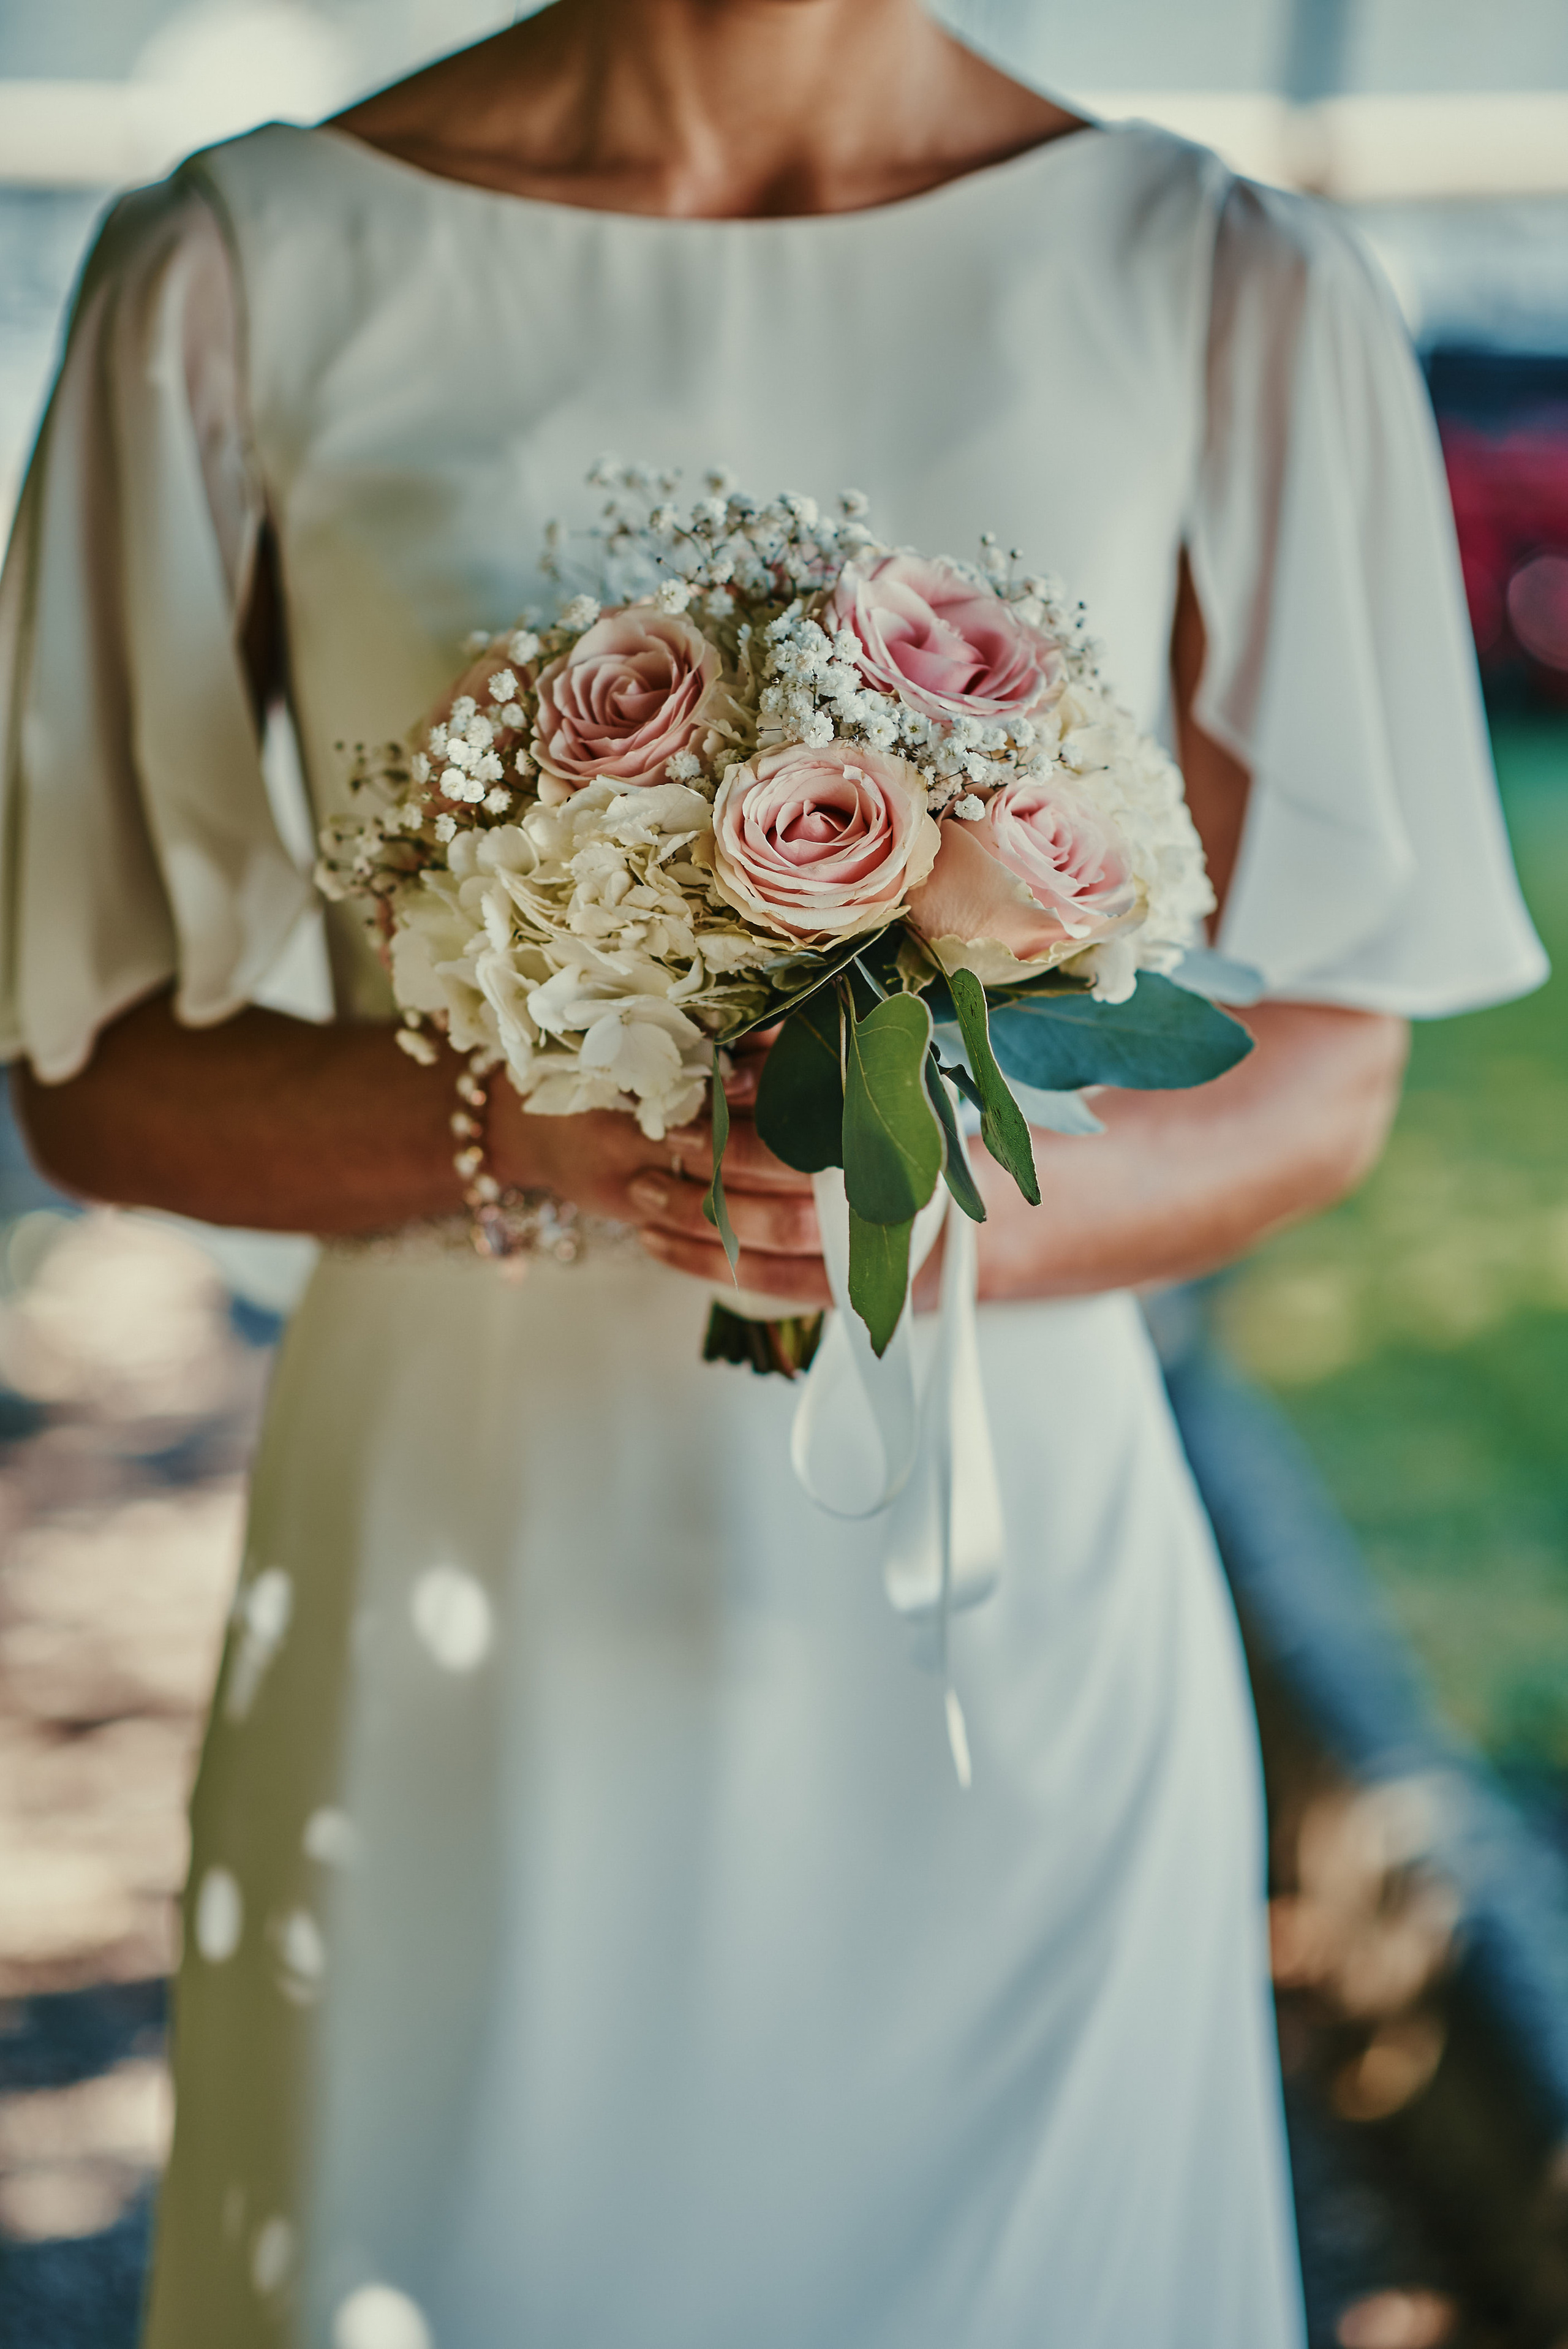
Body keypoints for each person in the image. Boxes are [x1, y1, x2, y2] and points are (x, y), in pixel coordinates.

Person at [0, 3, 1545, 2342]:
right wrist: (523, 1121)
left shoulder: (1218, 276)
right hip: (469, 1582)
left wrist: (946, 1207)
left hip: (1003, 1623)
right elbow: (88, 1073)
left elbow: (1329, 1063)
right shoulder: (238, 267)